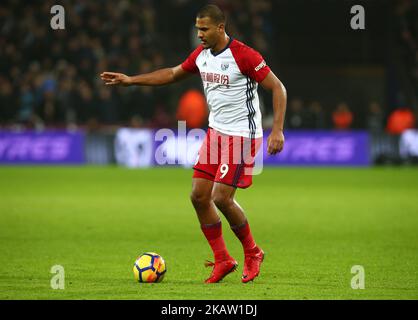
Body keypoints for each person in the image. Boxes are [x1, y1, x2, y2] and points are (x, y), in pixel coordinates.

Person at [100, 4, 287, 283]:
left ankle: (253, 251)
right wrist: (131, 80)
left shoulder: (244, 55)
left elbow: (278, 88)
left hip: (242, 135)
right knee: (198, 196)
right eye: (197, 28)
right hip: (216, 133)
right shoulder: (201, 55)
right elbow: (173, 74)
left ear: (220, 28)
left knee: (221, 197)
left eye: (204, 29)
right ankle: (223, 259)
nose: (199, 34)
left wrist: (278, 131)